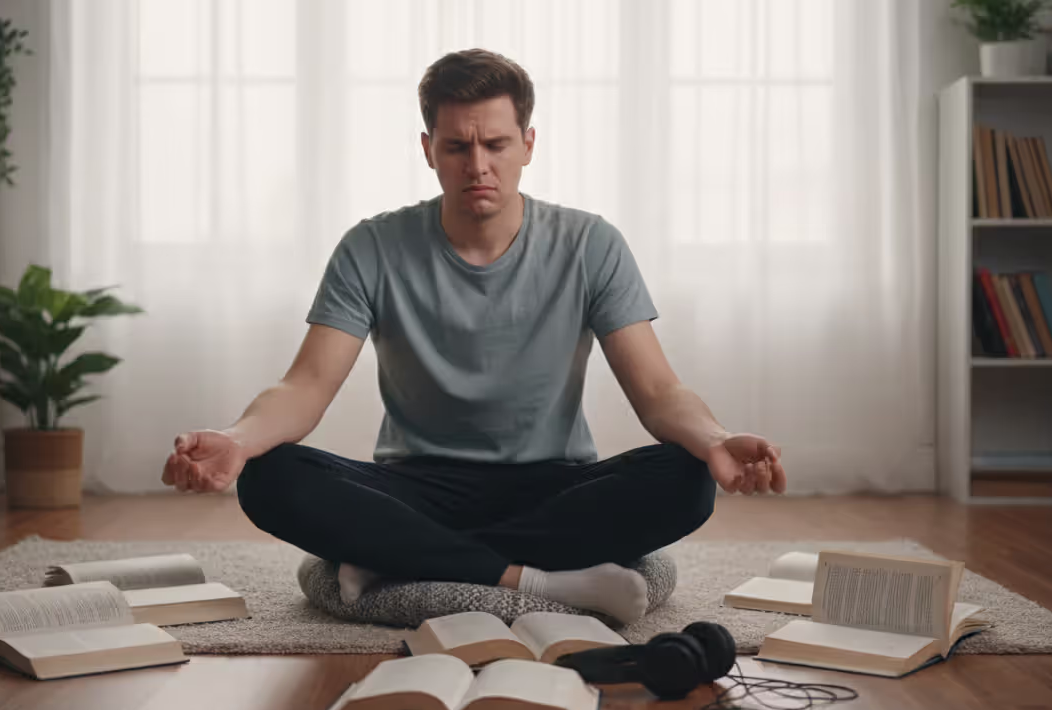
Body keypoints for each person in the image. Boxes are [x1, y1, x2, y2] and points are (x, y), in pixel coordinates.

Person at [161, 49, 785, 625]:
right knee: (272, 478)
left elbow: (657, 389)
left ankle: (403, 557)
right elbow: (306, 385)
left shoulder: (591, 244)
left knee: (687, 477)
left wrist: (715, 439)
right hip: (417, 485)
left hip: (552, 485)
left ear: (528, 144)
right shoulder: (370, 247)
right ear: (428, 149)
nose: (478, 165)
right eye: (458, 146)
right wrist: (240, 440)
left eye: (495, 143)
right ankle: (534, 579)